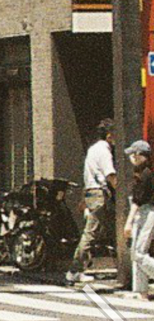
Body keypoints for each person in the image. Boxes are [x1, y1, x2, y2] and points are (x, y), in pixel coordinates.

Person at [66, 118, 116, 283]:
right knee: (91, 232)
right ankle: (74, 270)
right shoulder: (104, 151)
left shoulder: (93, 149)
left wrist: (83, 198)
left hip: (91, 192)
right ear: (109, 135)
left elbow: (88, 175)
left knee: (109, 230)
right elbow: (110, 175)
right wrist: (122, 191)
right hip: (99, 194)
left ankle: (124, 267)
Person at [123, 139, 154, 299]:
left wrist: (128, 222)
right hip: (142, 213)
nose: (131, 158)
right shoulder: (140, 172)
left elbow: (137, 200)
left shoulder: (146, 174)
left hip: (148, 213)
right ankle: (141, 291)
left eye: (133, 154)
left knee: (139, 253)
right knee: (135, 252)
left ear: (139, 155)